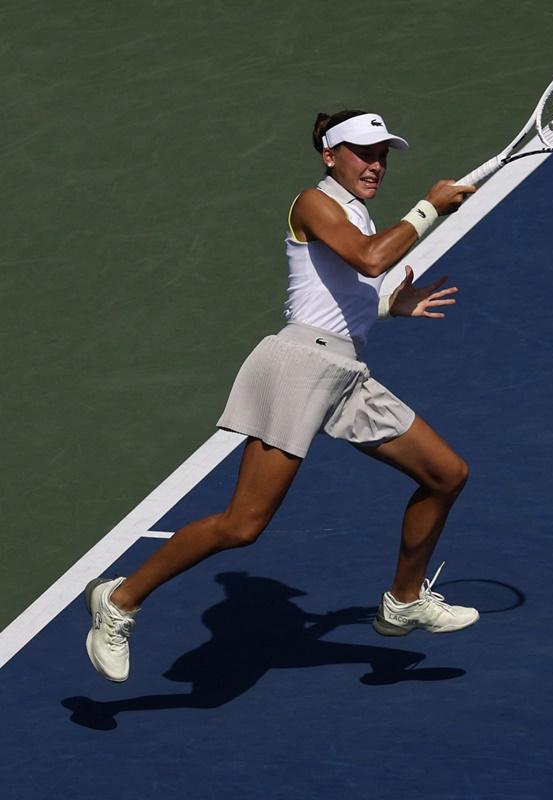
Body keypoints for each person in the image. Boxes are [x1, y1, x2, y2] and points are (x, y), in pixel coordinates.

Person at [83, 109, 478, 682]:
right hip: (297, 367)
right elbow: (370, 259)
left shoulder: (354, 212)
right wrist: (429, 208)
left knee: (447, 474)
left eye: (382, 154)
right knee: (243, 526)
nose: (376, 164)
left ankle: (404, 601)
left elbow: (332, 293)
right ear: (329, 155)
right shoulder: (312, 202)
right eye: (363, 153)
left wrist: (390, 306)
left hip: (344, 374)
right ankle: (119, 602)